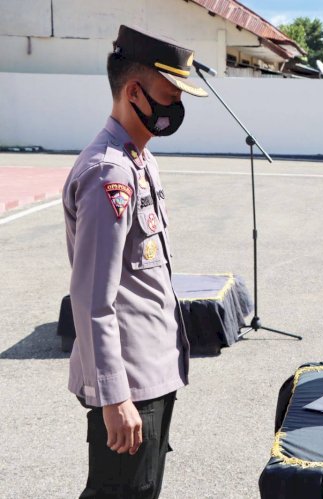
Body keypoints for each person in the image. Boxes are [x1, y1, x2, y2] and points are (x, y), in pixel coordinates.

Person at [62, 25, 207, 498]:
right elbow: (91, 300)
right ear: (133, 91)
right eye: (169, 96)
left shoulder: (139, 158)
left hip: (152, 371)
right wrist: (114, 397)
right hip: (130, 384)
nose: (176, 109)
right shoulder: (110, 174)